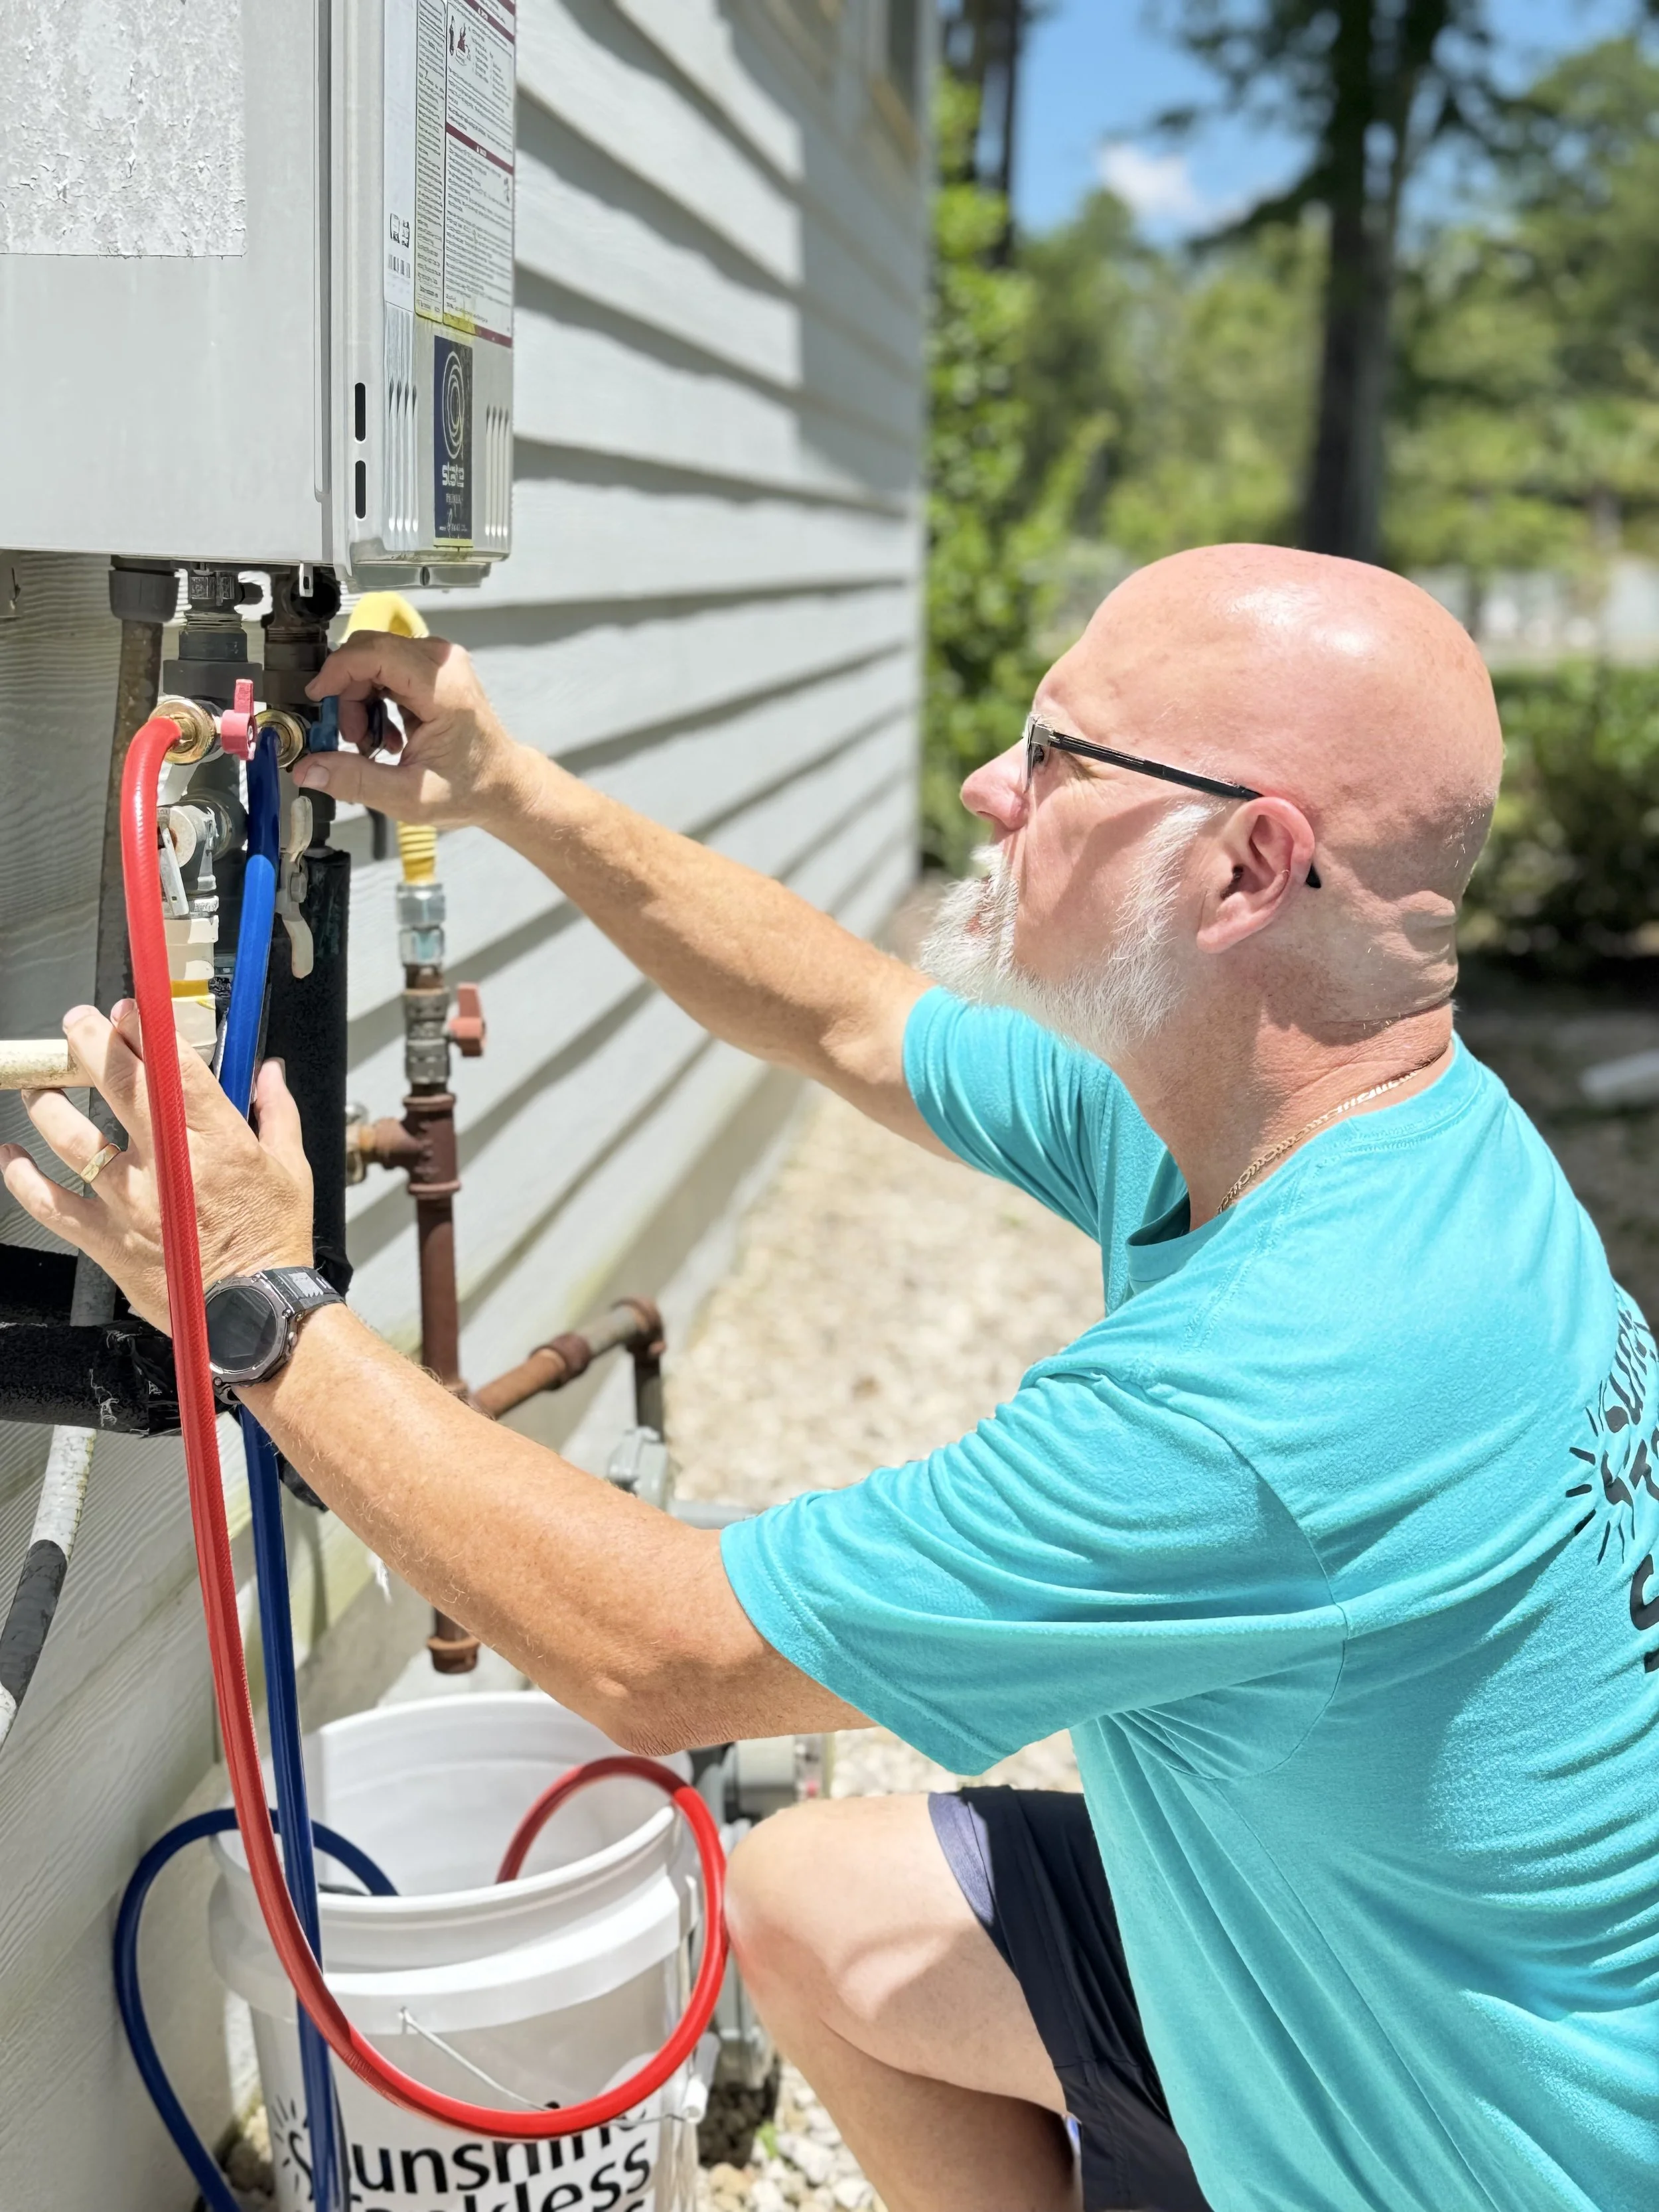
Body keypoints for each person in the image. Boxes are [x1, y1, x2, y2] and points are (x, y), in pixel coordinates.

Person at [3, 544, 1654, 2212]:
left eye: (1058, 755)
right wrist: (507, 794)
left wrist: (253, 1298)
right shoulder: (1305, 1121)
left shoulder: (1279, 1385)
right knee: (810, 1904)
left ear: (1245, 865)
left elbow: (660, 1652)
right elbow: (855, 1021)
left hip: (1471, 2154)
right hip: (1372, 1943)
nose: (988, 782)